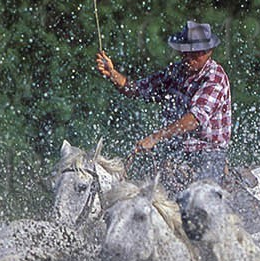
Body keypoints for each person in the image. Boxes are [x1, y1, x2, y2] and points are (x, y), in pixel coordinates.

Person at [96, 21, 233, 191]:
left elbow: (193, 120)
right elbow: (138, 89)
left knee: (200, 202)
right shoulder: (175, 72)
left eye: (195, 54)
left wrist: (155, 138)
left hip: (207, 155)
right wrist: (113, 74)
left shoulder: (215, 78)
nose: (189, 58)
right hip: (174, 152)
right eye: (185, 53)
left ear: (208, 52)